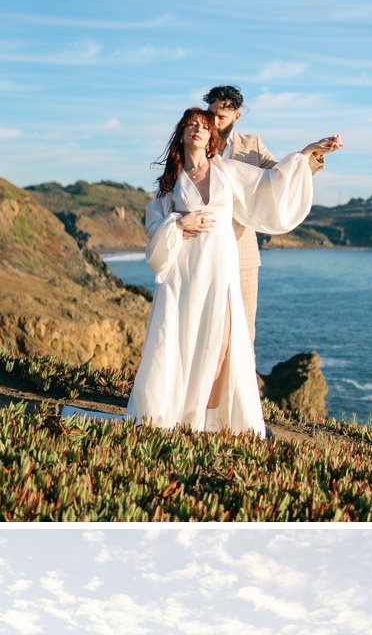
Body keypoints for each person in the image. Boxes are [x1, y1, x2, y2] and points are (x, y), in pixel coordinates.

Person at [125, 107, 342, 437]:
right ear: (181, 133)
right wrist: (179, 223)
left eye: (203, 126)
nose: (197, 129)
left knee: (223, 346)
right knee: (180, 341)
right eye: (191, 125)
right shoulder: (170, 183)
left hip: (220, 270)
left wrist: (307, 153)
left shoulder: (226, 170)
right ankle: (179, 417)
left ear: (212, 137)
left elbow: (270, 184)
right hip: (184, 274)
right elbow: (153, 227)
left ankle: (207, 420)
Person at [203, 86, 329, 346]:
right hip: (203, 250)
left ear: (236, 117)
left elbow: (283, 177)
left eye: (222, 117)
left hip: (243, 254)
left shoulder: (253, 146)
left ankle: (240, 387)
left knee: (243, 330)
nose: (214, 122)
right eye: (211, 114)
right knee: (206, 327)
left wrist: (311, 155)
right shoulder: (197, 141)